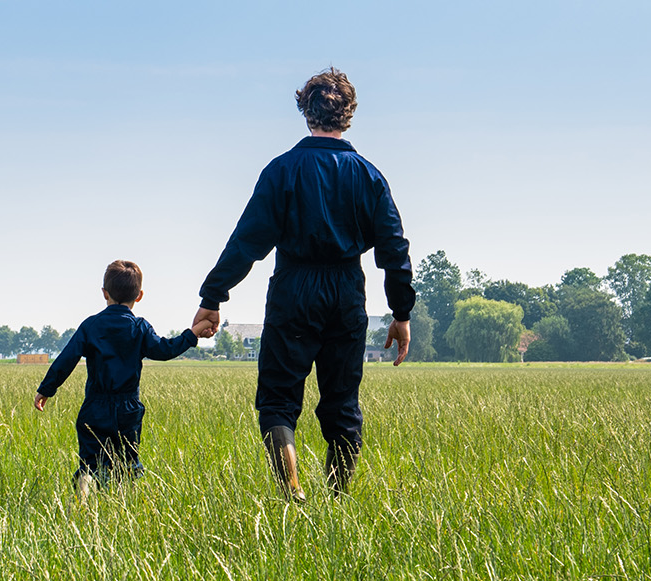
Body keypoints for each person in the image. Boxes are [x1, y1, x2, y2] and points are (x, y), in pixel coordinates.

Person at [190, 68, 415, 502]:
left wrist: (213, 296)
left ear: (305, 112)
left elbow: (247, 241)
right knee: (342, 407)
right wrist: (401, 313)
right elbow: (395, 249)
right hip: (347, 290)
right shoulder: (369, 176)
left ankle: (292, 489)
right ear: (348, 115)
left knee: (277, 401)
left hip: (293, 287)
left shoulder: (281, 170)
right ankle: (336, 503)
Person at [36, 260, 202, 498]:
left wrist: (46, 389)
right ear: (140, 295)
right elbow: (165, 350)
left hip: (95, 407)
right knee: (128, 465)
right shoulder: (140, 327)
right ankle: (125, 510)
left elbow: (67, 359)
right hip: (128, 410)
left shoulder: (90, 326)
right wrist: (192, 334)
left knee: (90, 465)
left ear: (104, 293)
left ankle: (83, 495)